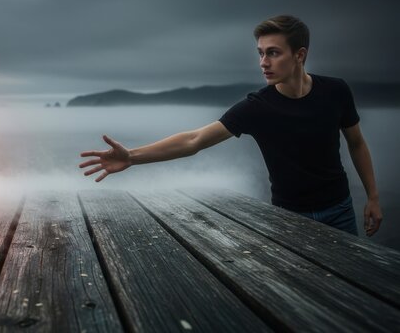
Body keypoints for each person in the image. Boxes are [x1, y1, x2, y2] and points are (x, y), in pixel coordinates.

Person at [79, 15, 382, 237]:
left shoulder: (336, 91)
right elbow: (194, 140)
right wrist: (131, 156)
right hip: (290, 219)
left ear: (300, 55)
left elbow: (356, 142)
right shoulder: (257, 107)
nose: (264, 62)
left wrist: (372, 197)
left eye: (273, 53)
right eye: (261, 53)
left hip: (340, 211)